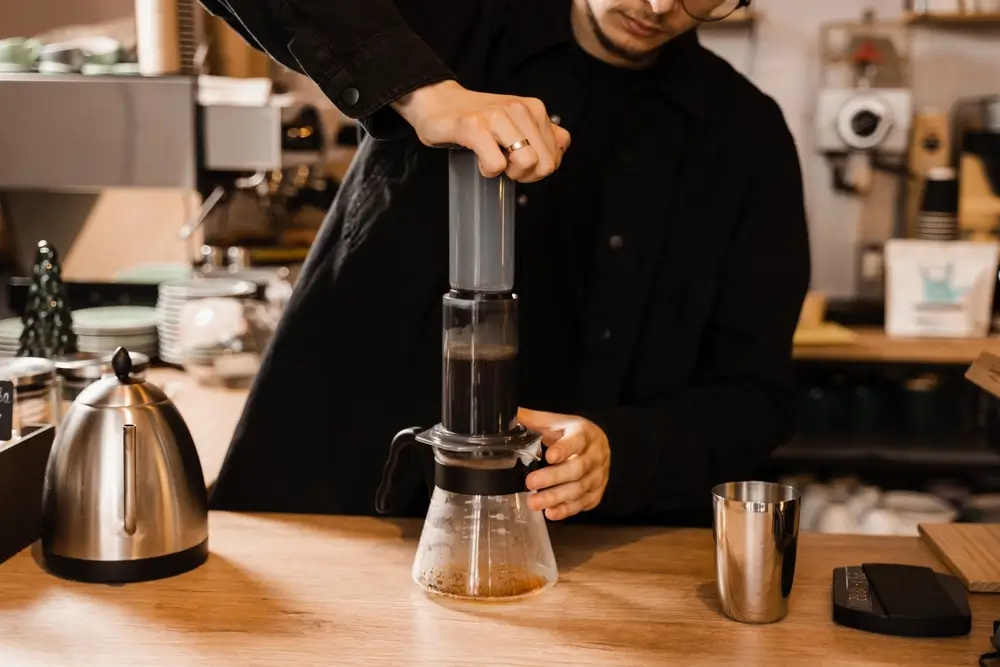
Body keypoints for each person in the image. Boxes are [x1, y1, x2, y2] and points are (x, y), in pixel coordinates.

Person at [201, 0, 811, 527]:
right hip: (345, 506)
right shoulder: (451, 25)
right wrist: (422, 91)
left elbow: (755, 396)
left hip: (588, 553)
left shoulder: (743, 135)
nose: (656, 7)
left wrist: (621, 453)